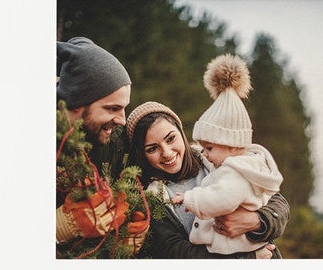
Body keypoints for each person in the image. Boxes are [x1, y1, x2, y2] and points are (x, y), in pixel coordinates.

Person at [119, 100, 290, 259]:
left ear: (181, 132)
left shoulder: (217, 159)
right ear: (142, 155)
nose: (167, 152)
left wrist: (256, 221)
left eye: (171, 139)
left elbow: (278, 203)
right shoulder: (148, 199)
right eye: (152, 149)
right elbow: (176, 253)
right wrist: (246, 259)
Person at [168, 57, 285, 256]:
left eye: (210, 148)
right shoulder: (249, 166)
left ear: (231, 146)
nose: (204, 153)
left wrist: (190, 199)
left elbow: (220, 199)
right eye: (203, 147)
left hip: (235, 249)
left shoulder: (236, 172)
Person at [56, 36, 152, 258]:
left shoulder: (111, 137)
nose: (122, 120)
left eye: (124, 109)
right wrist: (58, 228)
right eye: (112, 109)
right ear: (77, 103)